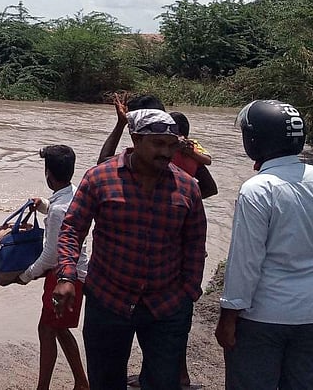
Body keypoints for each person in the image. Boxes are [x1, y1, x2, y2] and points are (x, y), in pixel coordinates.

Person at [216, 100, 313, 389]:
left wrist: (227, 318)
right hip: (312, 317)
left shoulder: (258, 189)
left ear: (254, 140)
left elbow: (245, 263)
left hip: (261, 319)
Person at [54, 109, 207, 390]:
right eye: (158, 144)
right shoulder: (99, 178)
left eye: (172, 145)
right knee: (106, 382)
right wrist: (66, 276)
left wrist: (189, 292)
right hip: (108, 300)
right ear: (136, 139)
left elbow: (196, 243)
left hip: (167, 305)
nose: (166, 152)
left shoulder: (187, 188)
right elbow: (72, 229)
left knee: (163, 383)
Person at [17, 145, 90, 390]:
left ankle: (45, 387)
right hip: (76, 273)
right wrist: (44, 205)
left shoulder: (58, 210)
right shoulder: (74, 195)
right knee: (56, 328)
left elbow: (51, 255)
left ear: (48, 174)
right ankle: (81, 382)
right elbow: (61, 213)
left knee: (48, 329)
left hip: (63, 278)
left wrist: (25, 276)